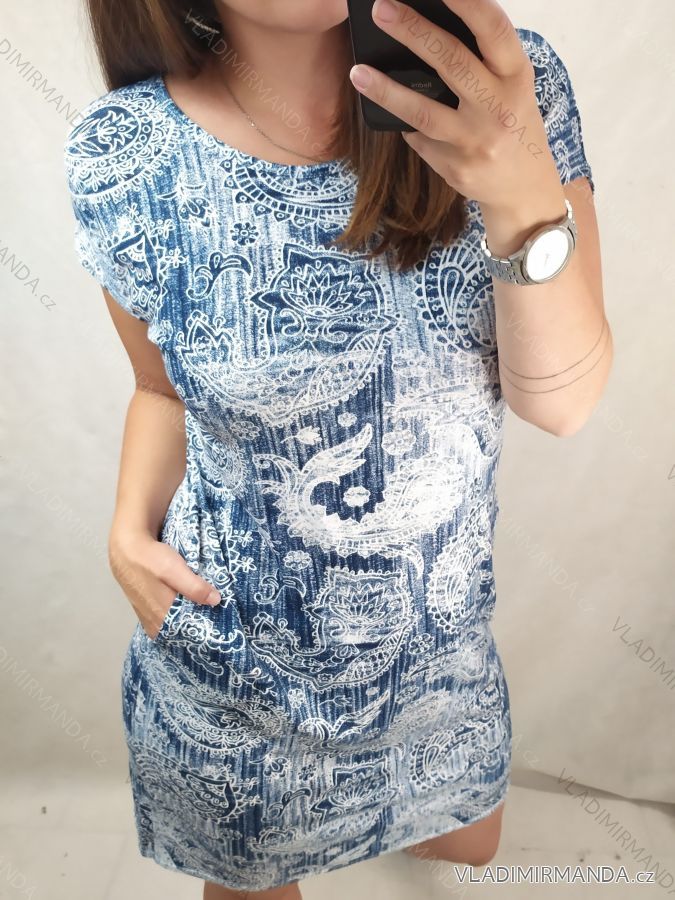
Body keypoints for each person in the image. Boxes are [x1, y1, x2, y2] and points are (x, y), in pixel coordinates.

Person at [63, 1, 611, 897]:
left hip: (439, 675)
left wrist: (519, 196)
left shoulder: (503, 86)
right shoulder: (124, 152)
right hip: (231, 674)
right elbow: (161, 387)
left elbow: (564, 404)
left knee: (469, 849)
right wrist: (127, 531)